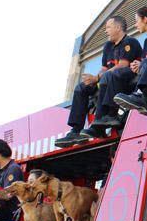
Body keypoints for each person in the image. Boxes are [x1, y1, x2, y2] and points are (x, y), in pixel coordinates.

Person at [56, 15, 142, 147]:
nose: (105, 31)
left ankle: (104, 119)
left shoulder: (130, 42)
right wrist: (93, 79)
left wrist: (98, 78)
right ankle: (75, 131)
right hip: (107, 81)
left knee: (108, 76)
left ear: (118, 27)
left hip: (127, 82)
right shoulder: (108, 46)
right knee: (81, 87)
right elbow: (103, 69)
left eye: (108, 27)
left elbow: (123, 65)